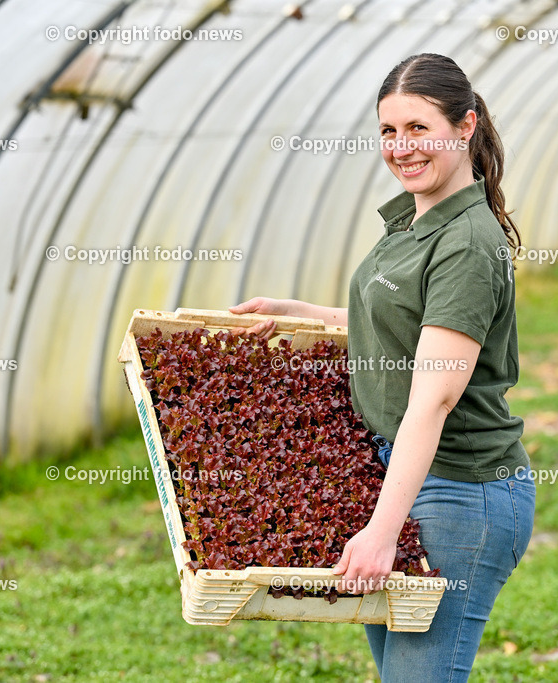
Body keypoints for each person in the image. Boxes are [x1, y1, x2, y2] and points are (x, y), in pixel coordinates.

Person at [229, 53, 534, 682]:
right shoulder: (415, 217)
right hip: (403, 476)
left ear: (466, 125)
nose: (401, 147)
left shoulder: (468, 245)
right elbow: (404, 329)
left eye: (419, 128)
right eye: (389, 131)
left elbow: (435, 397)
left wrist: (381, 529)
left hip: (460, 493)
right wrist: (302, 312)